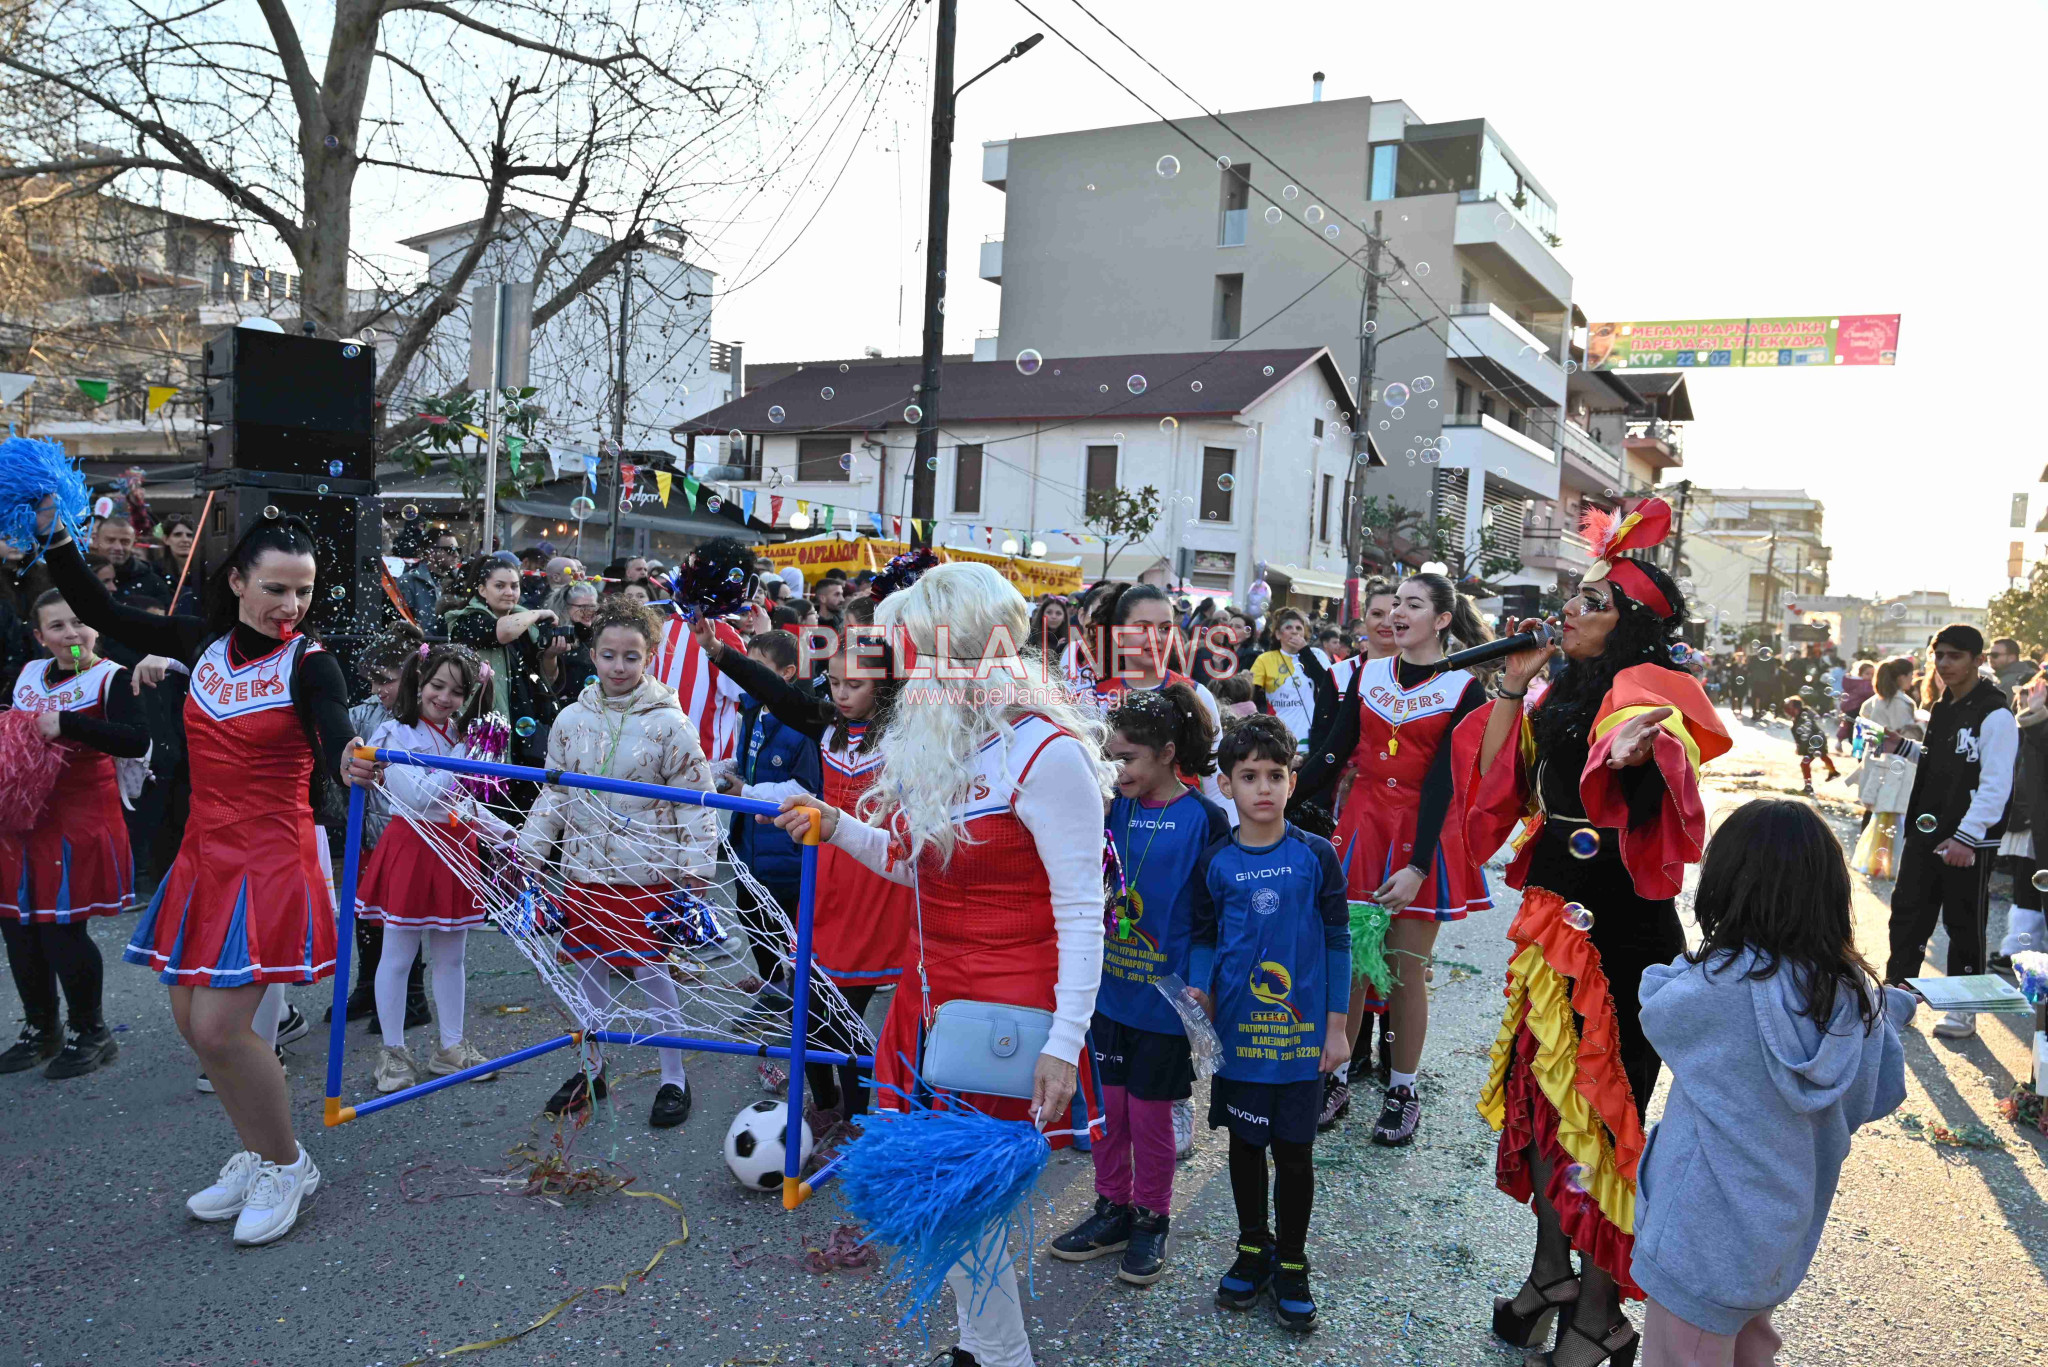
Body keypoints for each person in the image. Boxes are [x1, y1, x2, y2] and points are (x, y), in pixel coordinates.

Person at [769, 562, 1113, 1367]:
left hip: (1003, 1017)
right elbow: (909, 862)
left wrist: (1064, 1041)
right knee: (948, 1195)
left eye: (915, 652)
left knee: (967, 1200)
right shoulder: (949, 741)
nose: (905, 672)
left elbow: (1081, 910)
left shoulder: (1045, 751)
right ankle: (981, 1344)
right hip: (928, 1001)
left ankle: (1001, 1354)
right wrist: (835, 824)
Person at [43, 505, 371, 1246]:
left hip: (270, 858)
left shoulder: (311, 663)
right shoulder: (203, 642)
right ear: (237, 581)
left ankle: (286, 1165)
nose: (291, 605)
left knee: (223, 1029)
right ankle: (259, 1152)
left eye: (304, 591)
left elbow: (333, 731)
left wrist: (348, 759)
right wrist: (55, 539)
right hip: (204, 856)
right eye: (276, 588)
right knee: (193, 1025)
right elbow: (103, 613)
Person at [1459, 498, 1730, 1366]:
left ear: (1634, 626)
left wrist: (1640, 752)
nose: (1570, 608)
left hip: (1614, 938)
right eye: (1575, 595)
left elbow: (1662, 735)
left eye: (1593, 601)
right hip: (1552, 919)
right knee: (1543, 1108)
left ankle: (1599, 1314)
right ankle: (1553, 1273)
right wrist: (1513, 685)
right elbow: (1497, 791)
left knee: (1602, 1127)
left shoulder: (1647, 690)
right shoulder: (1562, 688)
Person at [1631, 800, 1911, 1365]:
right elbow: (1879, 1093)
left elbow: (1657, 1004)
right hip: (1778, 1235)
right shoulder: (1854, 995)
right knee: (1750, 1347)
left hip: (1697, 1239)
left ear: (1728, 886)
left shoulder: (1719, 984)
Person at [697, 606, 910, 1121]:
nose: (840, 694)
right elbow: (779, 693)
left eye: (854, 684)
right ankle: (829, 1104)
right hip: (827, 878)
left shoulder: (907, 737)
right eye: (833, 682)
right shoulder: (829, 725)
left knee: (842, 1014)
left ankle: (856, 1117)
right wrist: (720, 651)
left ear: (884, 687)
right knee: (809, 1008)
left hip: (876, 881)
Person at [1302, 572, 1491, 1142]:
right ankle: (1334, 1078)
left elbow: (1443, 783)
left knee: (1406, 970)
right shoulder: (1368, 673)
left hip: (1422, 835)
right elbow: (1333, 754)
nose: (1397, 615)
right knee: (1352, 965)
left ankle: (1402, 1090)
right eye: (1393, 606)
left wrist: (1417, 867)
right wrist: (1276, 806)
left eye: (1413, 605)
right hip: (1362, 829)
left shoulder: (1464, 688)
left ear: (1441, 619)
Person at [1051, 685, 1229, 1286]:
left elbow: (1209, 919)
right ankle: (1112, 1209)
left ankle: (1152, 1217)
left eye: (1127, 758)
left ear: (1168, 752)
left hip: (1164, 999)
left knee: (1151, 1116)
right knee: (1109, 1110)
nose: (1116, 769)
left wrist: (1201, 986)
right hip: (1105, 991)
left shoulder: (1203, 820)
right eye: (1109, 757)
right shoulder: (1108, 806)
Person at [517, 599, 717, 1128]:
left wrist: (697, 867)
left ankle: (673, 1075)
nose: (619, 666)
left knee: (651, 970)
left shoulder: (671, 724)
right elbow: (554, 793)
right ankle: (592, 1068)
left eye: (632, 656)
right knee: (587, 967)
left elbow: (696, 801)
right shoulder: (570, 719)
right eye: (609, 655)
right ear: (593, 654)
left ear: (649, 656)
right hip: (584, 870)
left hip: (646, 872)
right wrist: (532, 850)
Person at [1188, 715, 1350, 1333]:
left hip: (1301, 1039)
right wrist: (1200, 993)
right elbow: (1204, 937)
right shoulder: (1215, 862)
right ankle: (1253, 1247)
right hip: (1240, 1038)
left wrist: (1335, 1028)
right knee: (1246, 1144)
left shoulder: (1316, 855)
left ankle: (1293, 1262)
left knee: (1295, 1152)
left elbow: (1337, 942)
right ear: (1226, 785)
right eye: (1249, 776)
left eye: (1275, 775)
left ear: (1292, 781)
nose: (1263, 787)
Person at [0, 590, 148, 1079]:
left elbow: (137, 739)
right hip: (22, 821)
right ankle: (41, 1028)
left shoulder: (112, 676)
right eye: (57, 626)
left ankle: (91, 1031)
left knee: (61, 930)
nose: (71, 634)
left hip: (79, 818)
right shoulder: (27, 674)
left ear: (95, 628)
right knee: (19, 929)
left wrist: (67, 723)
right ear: (39, 636)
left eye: (79, 622)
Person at [355, 644, 511, 1093]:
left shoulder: (459, 735)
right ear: (418, 681)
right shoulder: (394, 733)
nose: (444, 698)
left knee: (452, 957)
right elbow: (419, 798)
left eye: (457, 692)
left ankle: (451, 1047)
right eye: (437, 685)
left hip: (457, 847)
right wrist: (464, 756)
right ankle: (393, 1052)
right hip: (413, 845)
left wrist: (504, 833)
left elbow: (463, 803)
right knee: (398, 956)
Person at [1885, 625, 2016, 1040]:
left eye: (1955, 655)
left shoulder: (1996, 714)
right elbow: (1941, 763)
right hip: (1926, 832)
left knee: (1963, 924)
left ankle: (1963, 1009)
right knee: (1907, 916)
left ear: (1978, 660)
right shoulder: (1943, 706)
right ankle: (1898, 998)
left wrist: (1966, 836)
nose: (1944, 663)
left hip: (1968, 841)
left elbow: (1996, 784)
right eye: (1939, 655)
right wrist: (1902, 747)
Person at [714, 628, 824, 1013]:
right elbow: (746, 764)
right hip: (748, 845)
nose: (747, 673)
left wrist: (745, 792)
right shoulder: (752, 709)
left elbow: (805, 788)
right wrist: (724, 770)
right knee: (751, 916)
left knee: (790, 927)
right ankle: (773, 984)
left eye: (757, 667)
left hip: (786, 850)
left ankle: (804, 997)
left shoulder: (802, 726)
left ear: (787, 673)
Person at [336, 629, 430, 1030]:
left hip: (404, 834)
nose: (376, 690)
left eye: (384, 680)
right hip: (368, 832)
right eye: (371, 681)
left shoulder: (423, 716)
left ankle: (411, 997)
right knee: (366, 912)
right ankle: (368, 986)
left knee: (400, 917)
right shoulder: (366, 713)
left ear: (411, 676)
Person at [441, 555, 564, 769]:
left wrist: (551, 655)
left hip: (529, 726)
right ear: (482, 590)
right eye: (500, 586)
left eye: (514, 586)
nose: (509, 592)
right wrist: (539, 612)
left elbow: (546, 678)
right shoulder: (467, 620)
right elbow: (503, 631)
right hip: (489, 726)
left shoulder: (527, 626)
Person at [1849, 657, 1921, 879]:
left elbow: (1861, 736)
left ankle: (1874, 863)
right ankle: (1889, 866)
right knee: (1894, 815)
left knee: (1877, 811)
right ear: (1901, 677)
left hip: (1876, 758)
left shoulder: (1872, 701)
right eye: (1910, 675)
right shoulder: (1900, 703)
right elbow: (1904, 734)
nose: (1912, 680)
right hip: (1896, 762)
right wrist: (1922, 726)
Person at [1997, 675, 2048, 968]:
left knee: (2031, 885)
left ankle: (2024, 953)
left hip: (2035, 821)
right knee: (2026, 884)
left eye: (2035, 694)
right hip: (2025, 821)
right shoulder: (2020, 729)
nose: (2025, 699)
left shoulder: (2036, 730)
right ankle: (2020, 951)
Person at [1250, 608, 1318, 757]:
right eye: (1288, 627)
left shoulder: (1316, 655)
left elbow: (1326, 683)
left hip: (1310, 737)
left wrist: (1305, 651)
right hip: (1278, 736)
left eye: (1299, 628)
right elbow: (1251, 693)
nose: (1294, 631)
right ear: (1278, 634)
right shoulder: (1265, 659)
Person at [89, 515, 172, 602]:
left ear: (133, 544)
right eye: (110, 540)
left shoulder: (152, 583)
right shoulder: (83, 573)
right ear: (96, 541)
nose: (118, 547)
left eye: (125, 542)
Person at [1783, 696, 1839, 796]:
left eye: (1789, 707)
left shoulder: (1805, 716)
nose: (1786, 710)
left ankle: (1808, 787)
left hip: (1814, 742)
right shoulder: (1800, 716)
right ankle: (1833, 772)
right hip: (1816, 741)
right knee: (1822, 756)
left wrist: (1801, 748)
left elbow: (1807, 734)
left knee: (1805, 764)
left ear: (1795, 708)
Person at [1836, 660, 1875, 753]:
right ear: (1860, 673)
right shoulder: (1865, 684)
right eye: (1867, 673)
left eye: (1873, 674)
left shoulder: (1852, 682)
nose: (1870, 676)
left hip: (1850, 708)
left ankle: (1842, 742)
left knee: (1848, 727)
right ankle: (1855, 747)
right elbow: (1868, 692)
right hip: (1856, 709)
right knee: (1856, 730)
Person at [1028, 595, 1071, 661]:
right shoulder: (1030, 636)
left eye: (1058, 613)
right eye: (1049, 612)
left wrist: (1062, 649)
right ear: (1042, 614)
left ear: (1064, 618)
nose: (1053, 616)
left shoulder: (1070, 640)